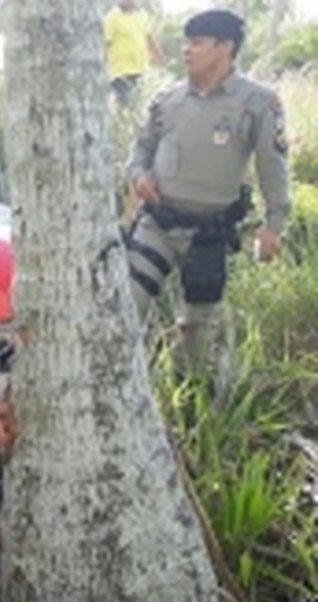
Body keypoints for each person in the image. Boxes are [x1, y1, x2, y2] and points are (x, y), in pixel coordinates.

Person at [125, 9, 291, 377]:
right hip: (157, 224)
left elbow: (273, 167)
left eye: (197, 43)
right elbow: (140, 149)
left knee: (198, 334)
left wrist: (273, 226)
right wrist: (139, 175)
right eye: (186, 42)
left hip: (208, 235)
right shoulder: (167, 99)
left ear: (225, 47)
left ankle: (191, 410)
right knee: (124, 309)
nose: (186, 50)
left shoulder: (259, 102)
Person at [103, 0, 164, 106]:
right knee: (125, 107)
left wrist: (160, 59)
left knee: (141, 107)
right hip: (120, 73)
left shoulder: (143, 16)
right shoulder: (111, 17)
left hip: (141, 71)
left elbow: (149, 39)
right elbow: (106, 44)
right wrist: (103, 69)